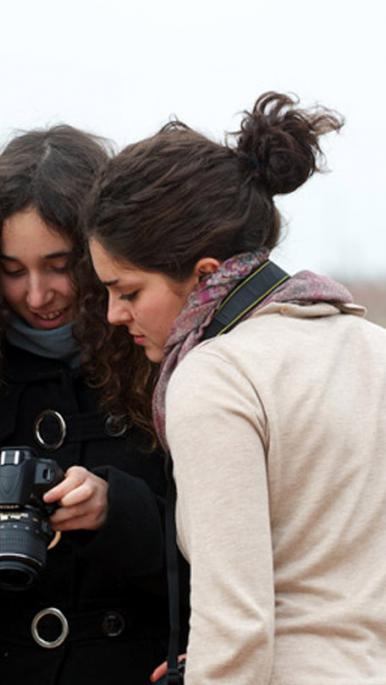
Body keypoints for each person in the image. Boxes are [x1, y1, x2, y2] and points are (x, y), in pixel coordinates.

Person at [83, 91, 386, 685]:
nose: (115, 315)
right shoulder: (374, 346)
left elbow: (237, 625)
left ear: (203, 275)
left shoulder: (216, 378)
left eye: (129, 290)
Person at [0, 125, 172, 685]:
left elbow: (231, 557)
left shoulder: (166, 365)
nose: (36, 295)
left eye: (58, 264)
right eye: (11, 270)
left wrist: (117, 510)